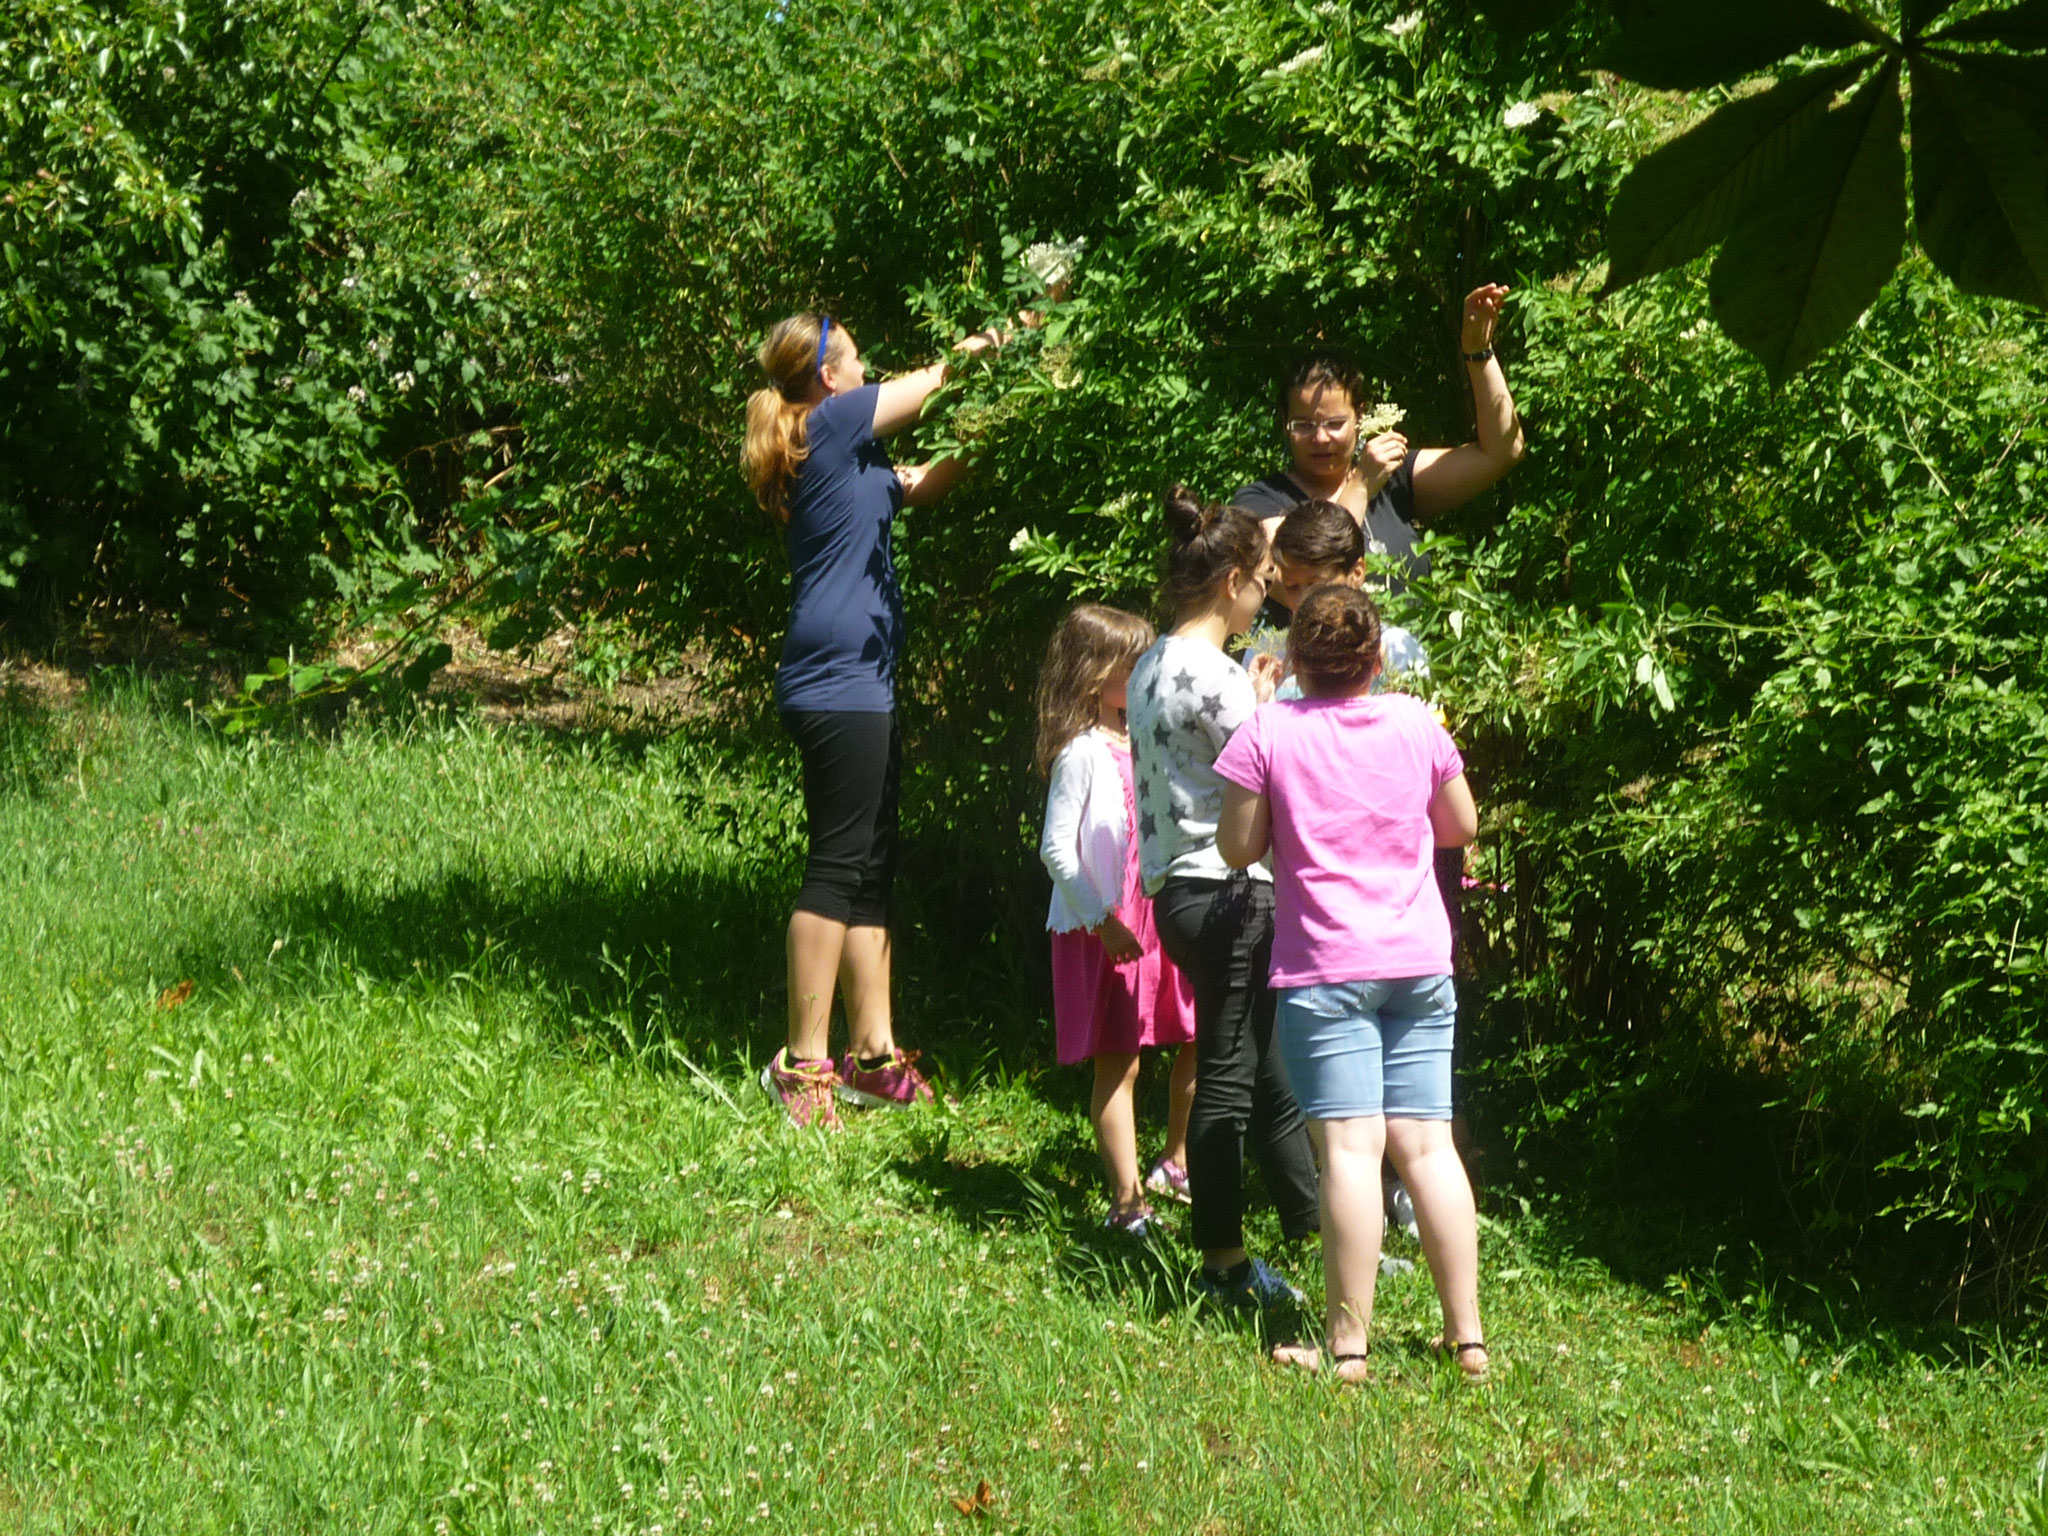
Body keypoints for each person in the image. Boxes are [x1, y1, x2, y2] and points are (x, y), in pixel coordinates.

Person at [1214, 584, 1487, 1384]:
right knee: (1429, 1147)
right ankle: (1467, 1340)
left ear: (1295, 658)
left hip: (1327, 967)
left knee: (1350, 1152)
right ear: (1376, 659)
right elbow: (1460, 826)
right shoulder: (1415, 721)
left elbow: (1237, 848)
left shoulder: (1267, 729)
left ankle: (1348, 1349)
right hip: (1418, 963)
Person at [741, 311, 1006, 1128]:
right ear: (828, 375)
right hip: (837, 684)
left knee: (869, 866)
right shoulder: (836, 420)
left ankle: (874, 1059)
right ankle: (805, 1067)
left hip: (861, 680)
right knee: (835, 867)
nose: (868, 368)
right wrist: (1024, 328)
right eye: (858, 357)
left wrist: (999, 425)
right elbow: (938, 379)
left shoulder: (847, 452)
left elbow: (925, 483)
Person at [1128, 487, 1321, 1308]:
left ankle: (1322, 1232)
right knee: (1229, 1083)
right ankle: (1223, 1267)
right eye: (1264, 582)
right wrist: (1271, 703)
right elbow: (1269, 773)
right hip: (1231, 893)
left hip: (1178, 890)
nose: (1265, 598)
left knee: (1266, 1074)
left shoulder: (1148, 661)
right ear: (1234, 579)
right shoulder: (1215, 676)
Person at [1035, 604, 1199, 1233]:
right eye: (1128, 664)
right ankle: (1126, 1203)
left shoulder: (1144, 743)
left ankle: (1176, 1161)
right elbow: (1055, 848)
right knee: (1120, 1060)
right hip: (1105, 924)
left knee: (1195, 1033)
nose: (1140, 674)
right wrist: (1102, 918)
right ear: (1092, 674)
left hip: (1157, 916)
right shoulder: (1081, 754)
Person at [1231, 284, 1527, 596]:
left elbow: (1503, 450)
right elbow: (1290, 576)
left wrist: (1478, 350)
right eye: (1303, 425)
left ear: (1359, 417)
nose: (1319, 437)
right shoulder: (1259, 502)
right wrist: (1360, 486)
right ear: (1284, 424)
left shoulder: (1392, 480)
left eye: (1334, 424)